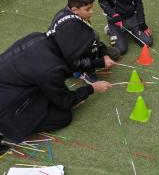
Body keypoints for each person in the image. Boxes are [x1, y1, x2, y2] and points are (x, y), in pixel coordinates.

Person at [0, 15, 113, 146]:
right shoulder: (51, 70)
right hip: (7, 108)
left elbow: (70, 62)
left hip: (12, 86)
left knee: (52, 96)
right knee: (63, 117)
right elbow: (66, 102)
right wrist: (91, 88)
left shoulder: (39, 38)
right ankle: (5, 129)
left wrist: (100, 62)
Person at [48, 0, 120, 83]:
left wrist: (103, 53)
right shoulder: (73, 28)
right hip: (62, 61)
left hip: (69, 52)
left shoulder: (70, 12)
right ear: (75, 10)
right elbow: (73, 60)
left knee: (114, 53)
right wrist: (101, 62)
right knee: (93, 38)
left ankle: (93, 58)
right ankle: (86, 73)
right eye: (87, 9)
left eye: (91, 8)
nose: (91, 12)